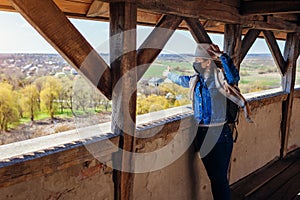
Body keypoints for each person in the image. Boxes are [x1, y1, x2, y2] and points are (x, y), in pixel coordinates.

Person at [163, 43, 240, 200]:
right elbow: (179, 79)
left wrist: (221, 56)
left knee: (219, 180)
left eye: (199, 59)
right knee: (215, 179)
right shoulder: (194, 81)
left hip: (219, 135)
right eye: (195, 59)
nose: (196, 63)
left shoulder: (219, 80)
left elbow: (233, 78)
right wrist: (168, 74)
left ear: (207, 62)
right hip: (203, 135)